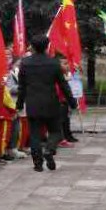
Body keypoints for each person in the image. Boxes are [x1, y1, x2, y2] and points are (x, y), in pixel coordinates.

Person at [16, 35, 75, 171]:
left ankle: (38, 164)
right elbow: (63, 84)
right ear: (47, 46)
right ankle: (49, 149)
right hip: (51, 103)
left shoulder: (25, 63)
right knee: (56, 131)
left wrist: (19, 104)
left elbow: (22, 87)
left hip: (33, 103)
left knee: (35, 134)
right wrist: (72, 101)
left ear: (32, 47)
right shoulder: (53, 63)